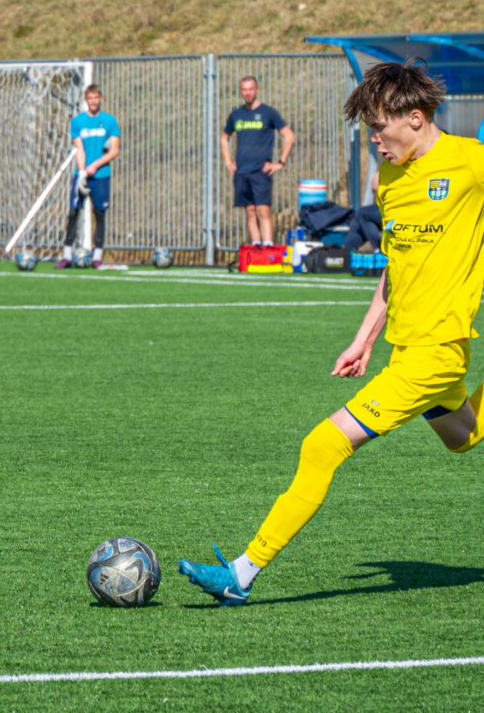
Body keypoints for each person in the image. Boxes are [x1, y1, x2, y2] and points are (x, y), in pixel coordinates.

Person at [179, 58, 484, 607]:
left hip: (437, 352)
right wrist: (365, 337)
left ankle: (243, 573)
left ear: (414, 118)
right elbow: (396, 268)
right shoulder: (391, 179)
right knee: (462, 436)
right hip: (406, 349)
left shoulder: (471, 164)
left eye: (378, 129)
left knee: (321, 445)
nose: (375, 142)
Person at [221, 76, 294, 246]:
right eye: (244, 90)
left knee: (263, 210)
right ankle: (256, 248)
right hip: (242, 172)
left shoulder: (268, 113)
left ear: (257, 90)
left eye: (251, 89)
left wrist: (280, 162)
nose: (248, 93)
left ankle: (267, 247)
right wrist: (228, 161)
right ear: (241, 91)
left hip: (261, 172)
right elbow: (224, 138)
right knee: (250, 212)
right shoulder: (236, 115)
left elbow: (289, 136)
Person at [55, 84, 120, 270]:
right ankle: (67, 256)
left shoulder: (109, 121)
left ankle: (97, 257)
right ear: (86, 100)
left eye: (96, 97)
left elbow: (114, 150)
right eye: (90, 98)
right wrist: (82, 171)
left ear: (101, 98)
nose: (93, 101)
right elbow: (79, 149)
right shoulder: (77, 122)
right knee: (73, 212)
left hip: (101, 176)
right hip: (82, 175)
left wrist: (95, 166)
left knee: (99, 214)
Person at [343, 172, 382, 253]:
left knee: (361, 213)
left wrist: (381, 177)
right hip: (383, 205)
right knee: (357, 220)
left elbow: (375, 184)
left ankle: (378, 248)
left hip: (397, 207)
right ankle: (347, 253)